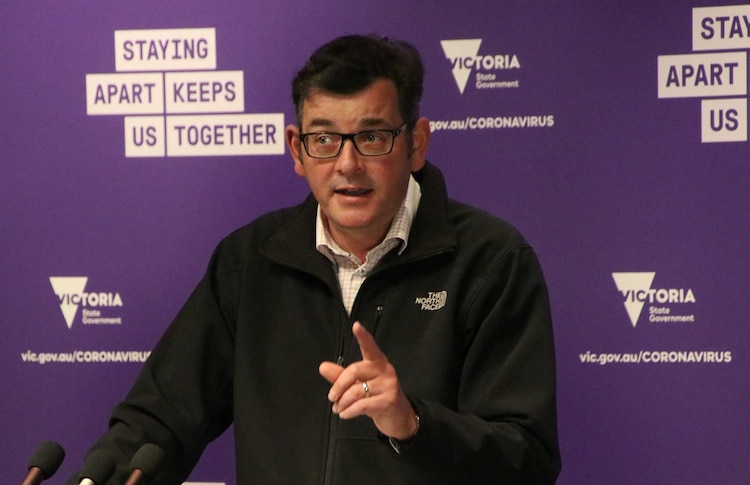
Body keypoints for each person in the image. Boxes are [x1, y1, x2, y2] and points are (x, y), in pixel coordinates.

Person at [73, 34, 560, 484]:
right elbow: (161, 418)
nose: (347, 164)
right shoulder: (251, 262)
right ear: (297, 150)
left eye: (372, 137)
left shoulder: (491, 262)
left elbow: (527, 460)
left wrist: (412, 424)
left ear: (416, 143)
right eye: (324, 140)